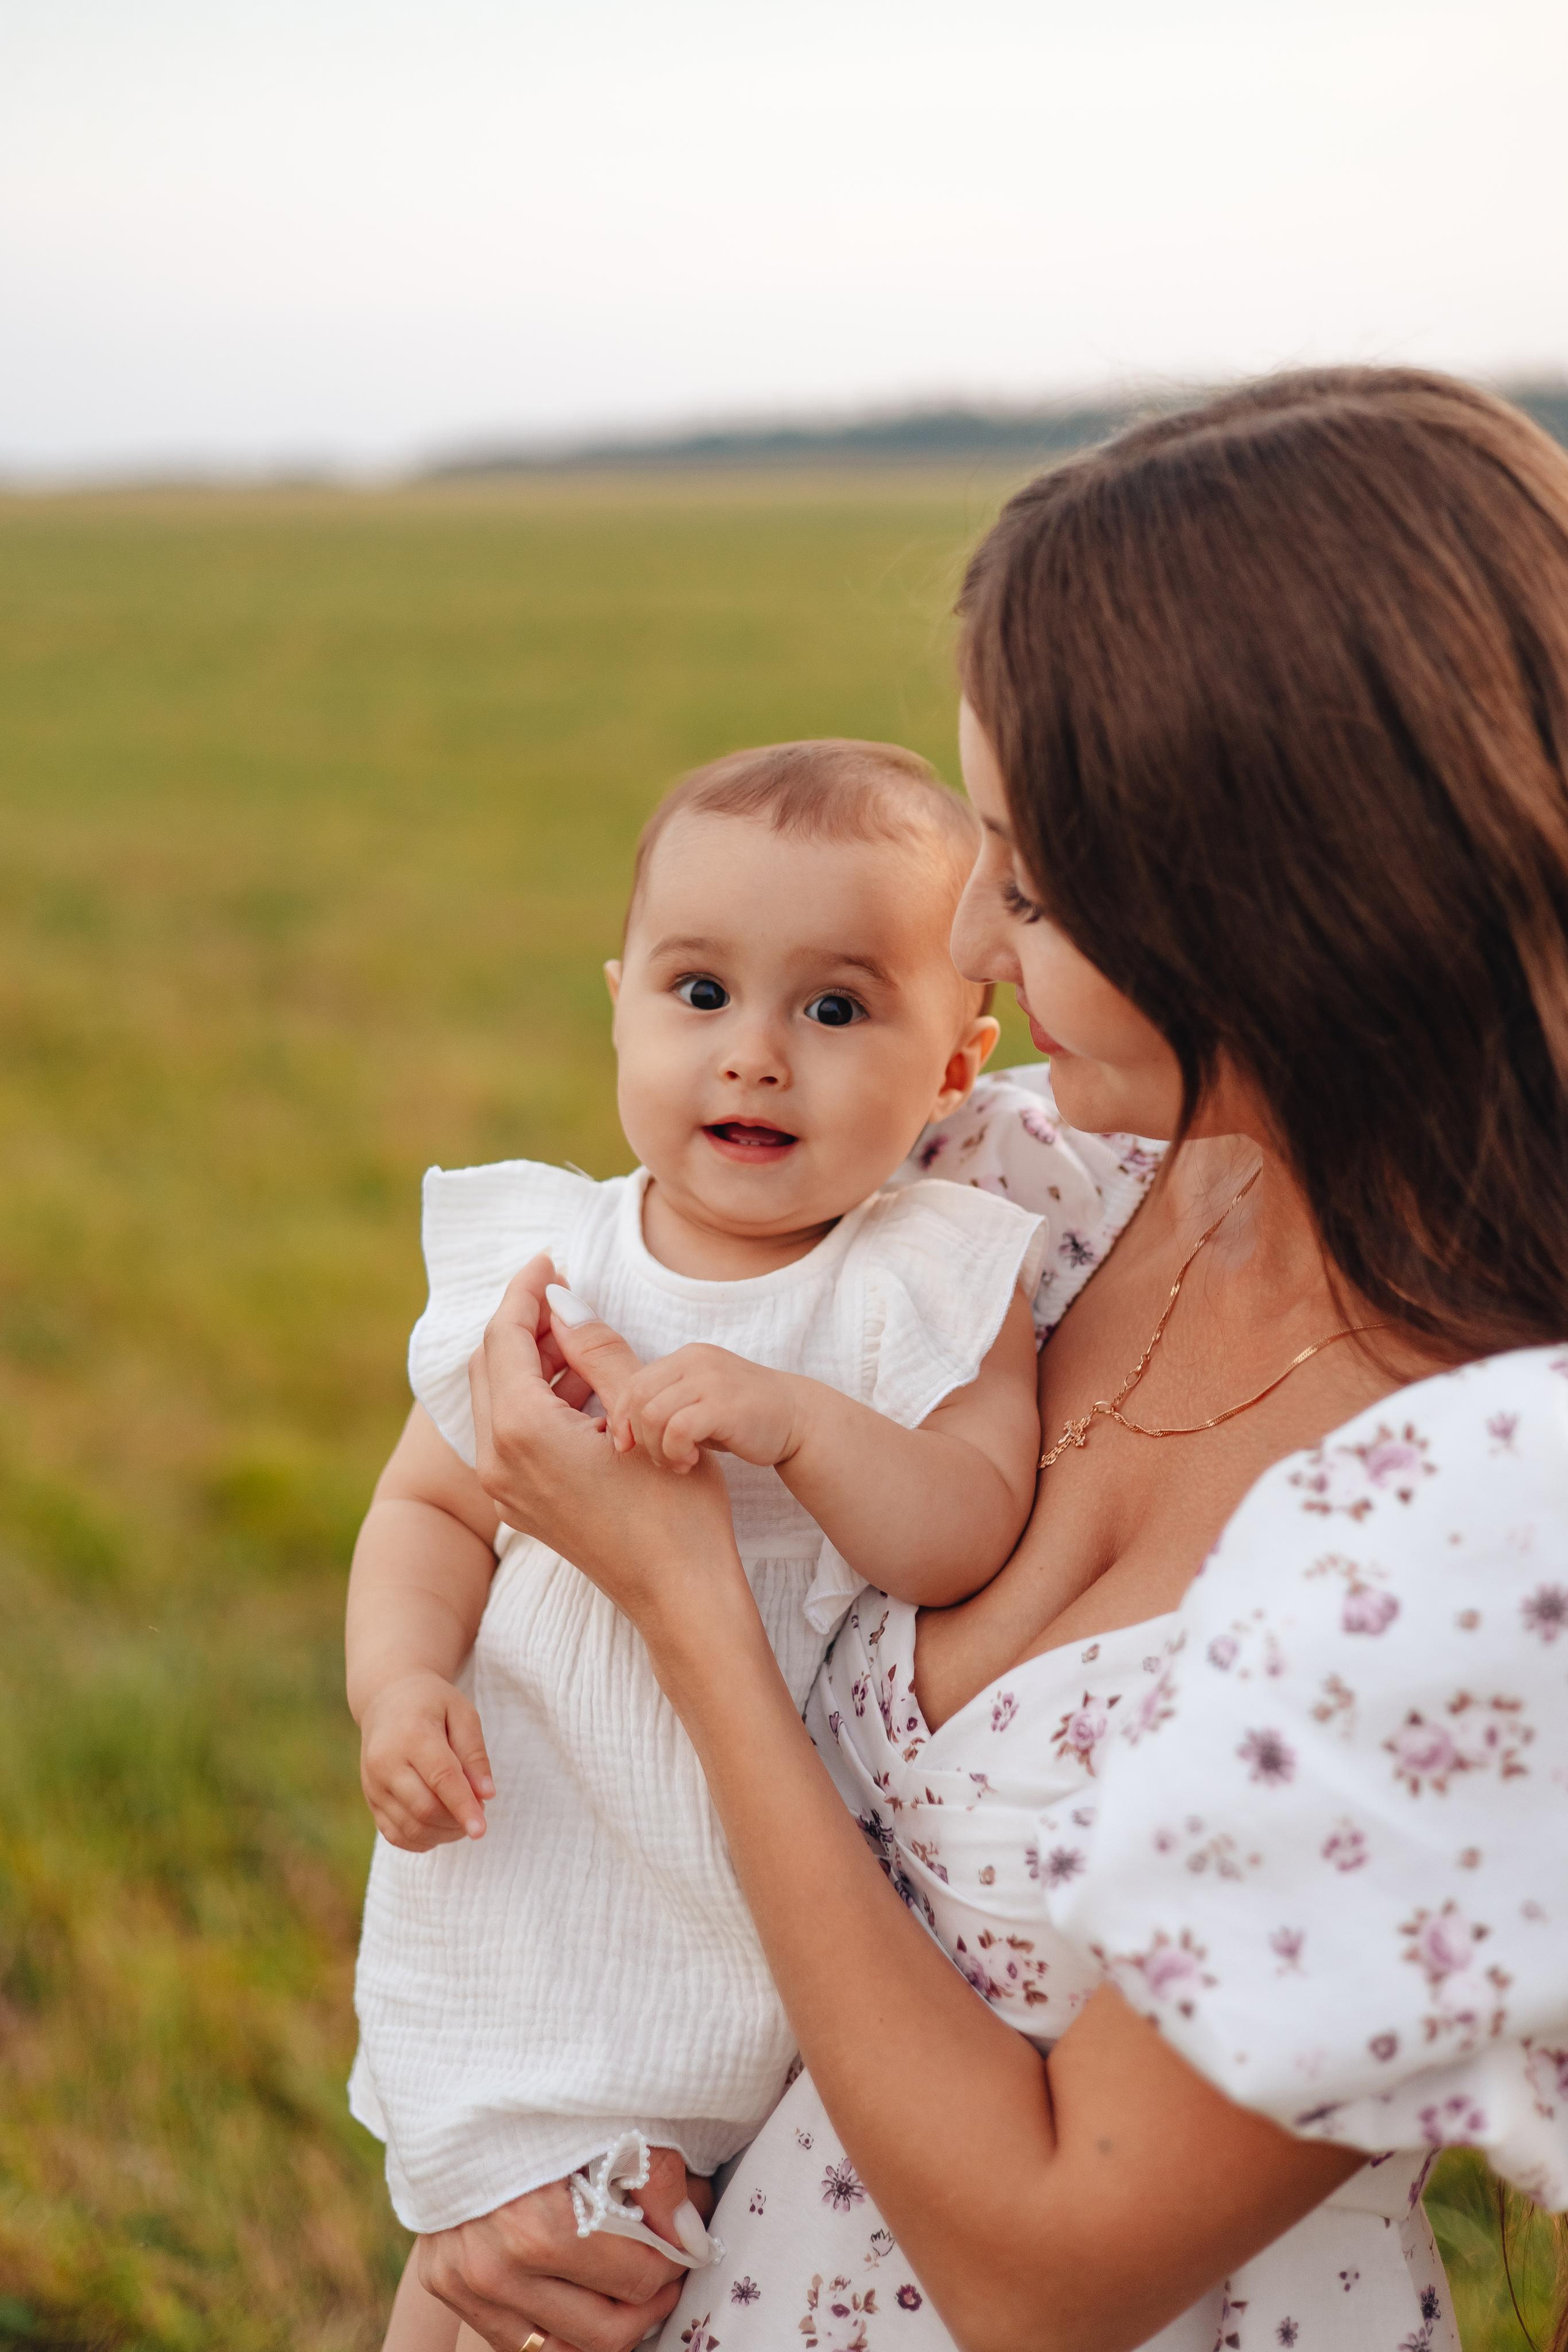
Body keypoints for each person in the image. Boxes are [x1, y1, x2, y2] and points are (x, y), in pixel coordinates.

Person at [412, 369, 1568, 2352]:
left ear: (1288, 901)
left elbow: (1047, 2273)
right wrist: (529, 2166)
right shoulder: (1022, 1187)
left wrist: (681, 1594)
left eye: (1030, 876)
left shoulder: (1503, 1527)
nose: (969, 931)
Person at [347, 740, 1128, 2349]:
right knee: (478, 2267)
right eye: (701, 995)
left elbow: (961, 1529)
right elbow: (430, 1502)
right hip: (535, 1863)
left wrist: (804, 1425)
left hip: (746, 1905)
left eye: (837, 1010)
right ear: (620, 999)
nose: (755, 1058)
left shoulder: (923, 1280)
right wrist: (400, 1683)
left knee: (618, 2278)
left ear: (956, 1065)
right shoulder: (554, 1264)